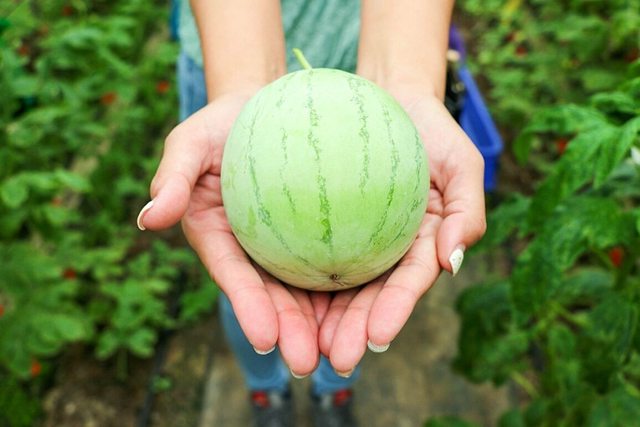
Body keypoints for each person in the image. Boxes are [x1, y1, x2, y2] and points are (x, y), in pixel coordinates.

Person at [136, 1, 486, 426]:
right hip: (227, 57)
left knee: (363, 314)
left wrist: (403, 78)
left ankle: (333, 388)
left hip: (369, 72)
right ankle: (265, 387)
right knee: (244, 289)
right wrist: (242, 85)